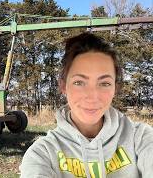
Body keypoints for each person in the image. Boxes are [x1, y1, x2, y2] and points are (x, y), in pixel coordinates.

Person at [20, 32, 153, 178]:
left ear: (115, 87)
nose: (92, 96)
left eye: (104, 83)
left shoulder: (141, 138)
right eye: (79, 82)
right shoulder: (42, 154)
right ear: (63, 86)